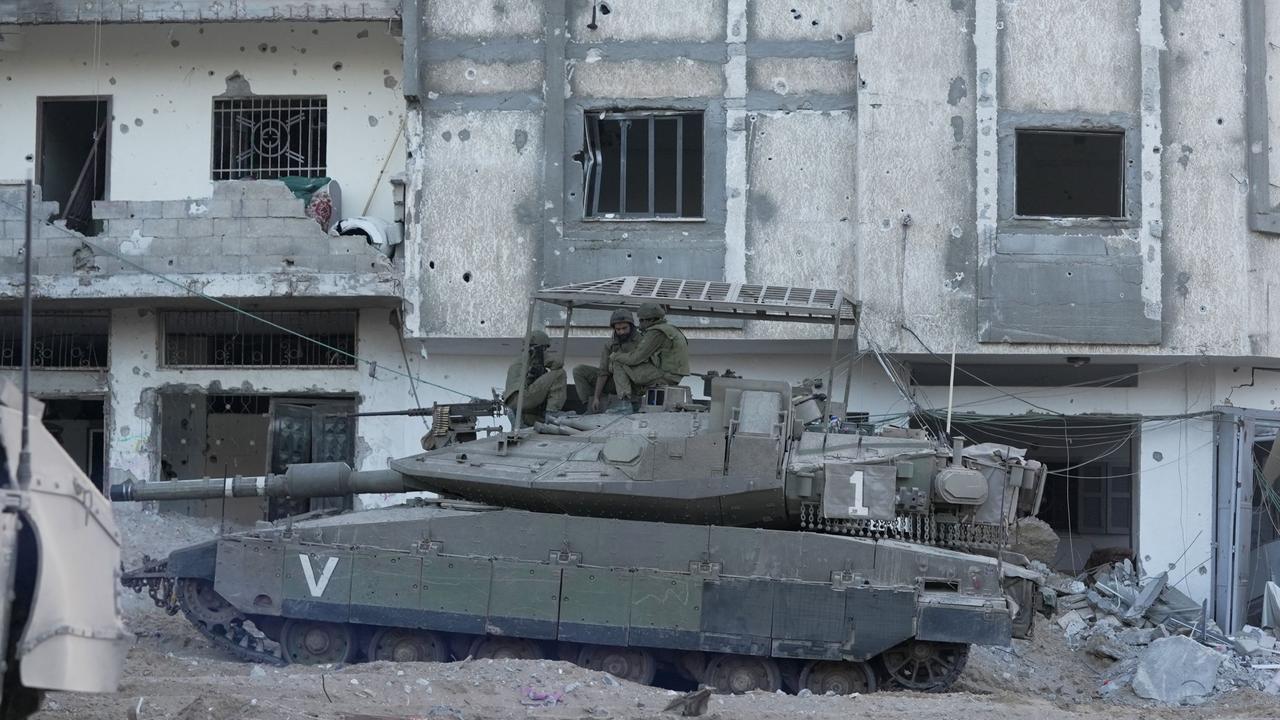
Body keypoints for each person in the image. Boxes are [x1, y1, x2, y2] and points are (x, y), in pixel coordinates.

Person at [608, 303, 689, 403]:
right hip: (672, 375)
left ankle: (624, 404)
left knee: (619, 362)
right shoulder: (670, 329)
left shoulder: (656, 332)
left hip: (665, 376)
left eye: (642, 320)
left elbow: (634, 358)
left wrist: (614, 356)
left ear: (650, 320)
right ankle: (633, 399)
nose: (640, 324)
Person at [572, 308, 643, 413]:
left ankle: (629, 404)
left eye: (624, 328)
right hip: (614, 381)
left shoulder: (643, 342)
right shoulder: (610, 345)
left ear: (631, 326)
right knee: (579, 370)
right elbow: (603, 372)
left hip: (635, 383)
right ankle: (592, 406)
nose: (621, 332)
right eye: (618, 329)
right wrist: (596, 397)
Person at [504, 330, 567, 426]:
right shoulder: (535, 353)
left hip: (514, 402)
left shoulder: (521, 359)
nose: (545, 351)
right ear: (541, 346)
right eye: (545, 348)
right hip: (522, 398)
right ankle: (552, 412)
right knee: (560, 374)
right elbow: (558, 364)